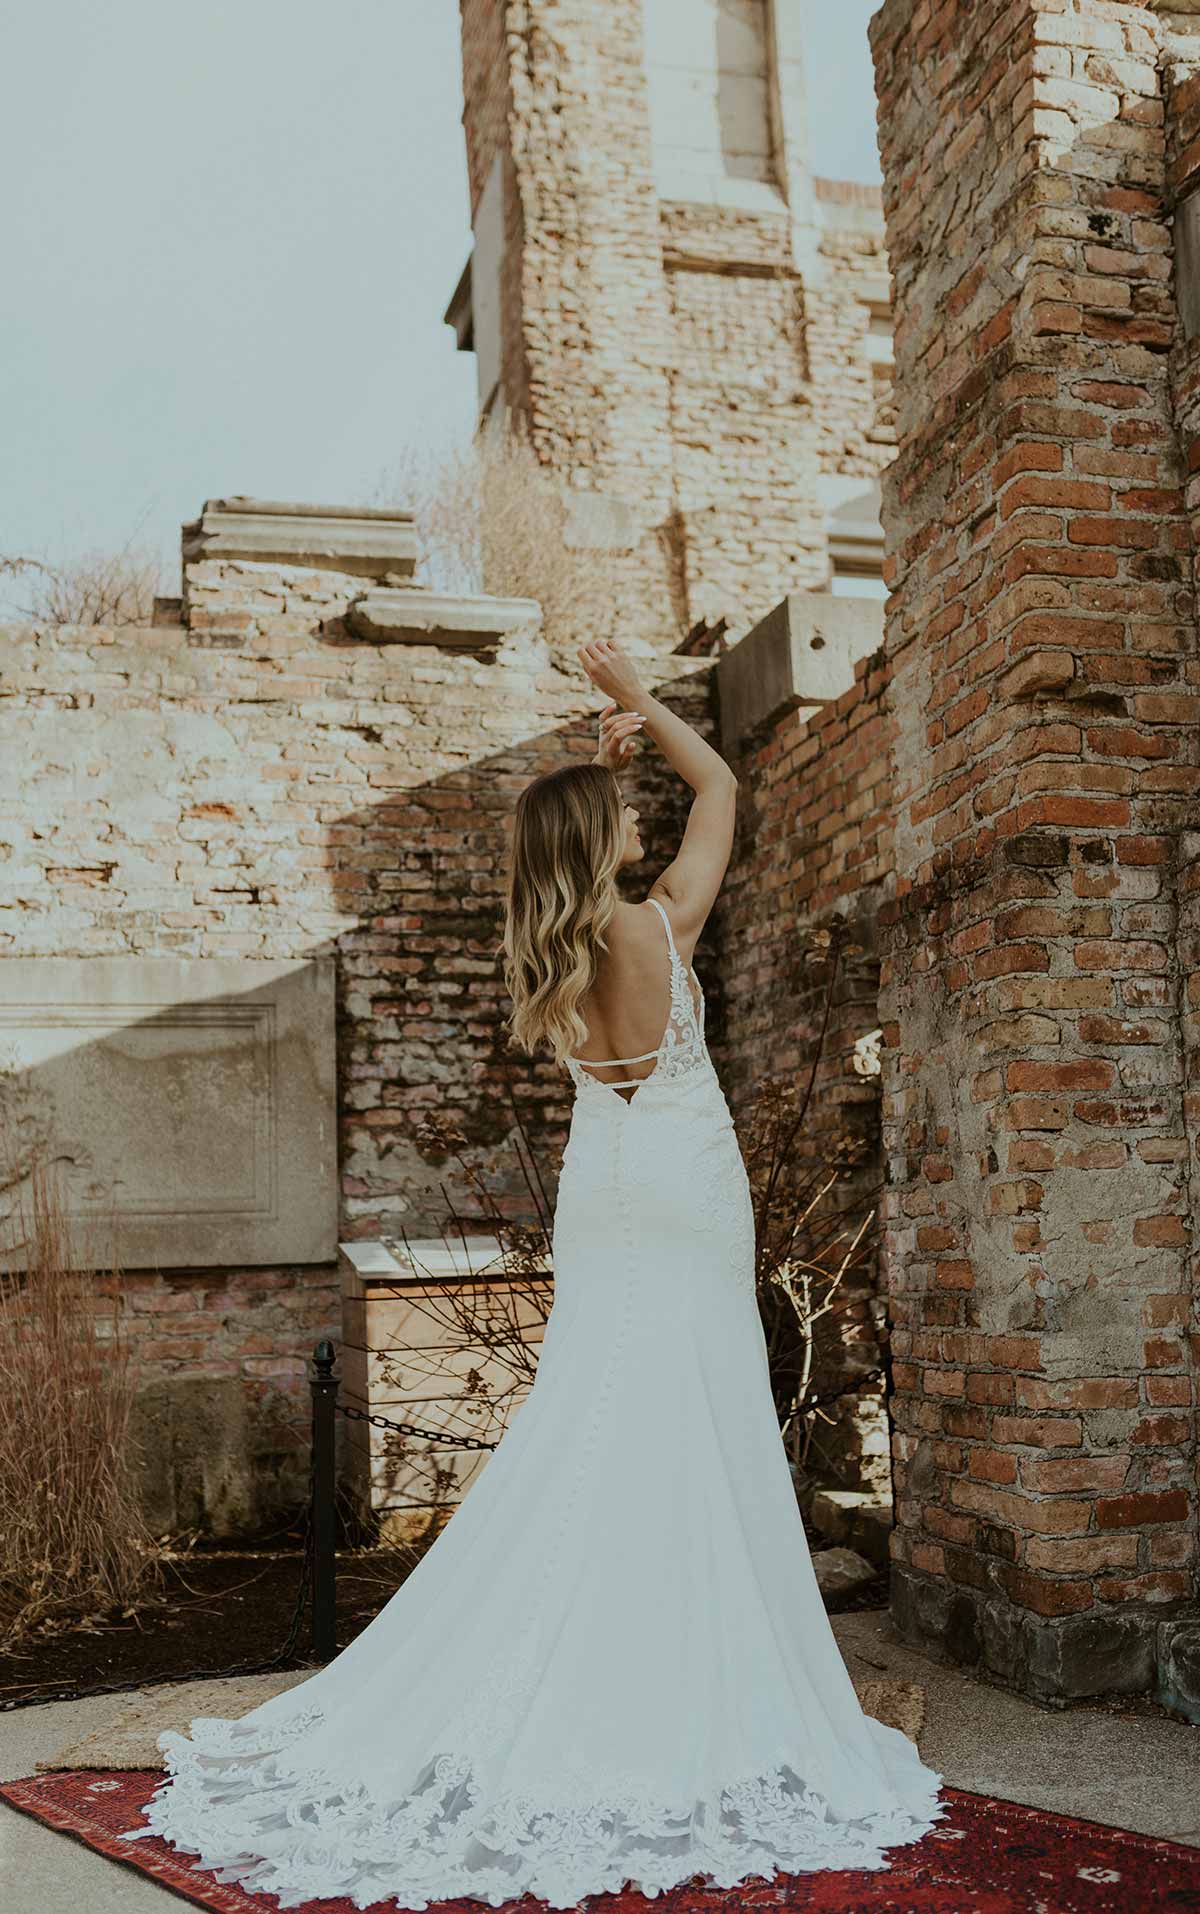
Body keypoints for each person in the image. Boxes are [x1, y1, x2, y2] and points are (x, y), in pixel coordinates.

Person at [121, 636, 946, 1909]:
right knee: (696, 1415)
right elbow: (722, 788)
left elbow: (612, 825)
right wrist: (635, 702)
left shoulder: (550, 953)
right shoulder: (658, 926)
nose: (638, 814)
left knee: (596, 1418)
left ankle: (596, 1638)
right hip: (682, 1193)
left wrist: (592, 770)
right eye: (622, 812)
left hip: (603, 1202)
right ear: (605, 846)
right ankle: (681, 1665)